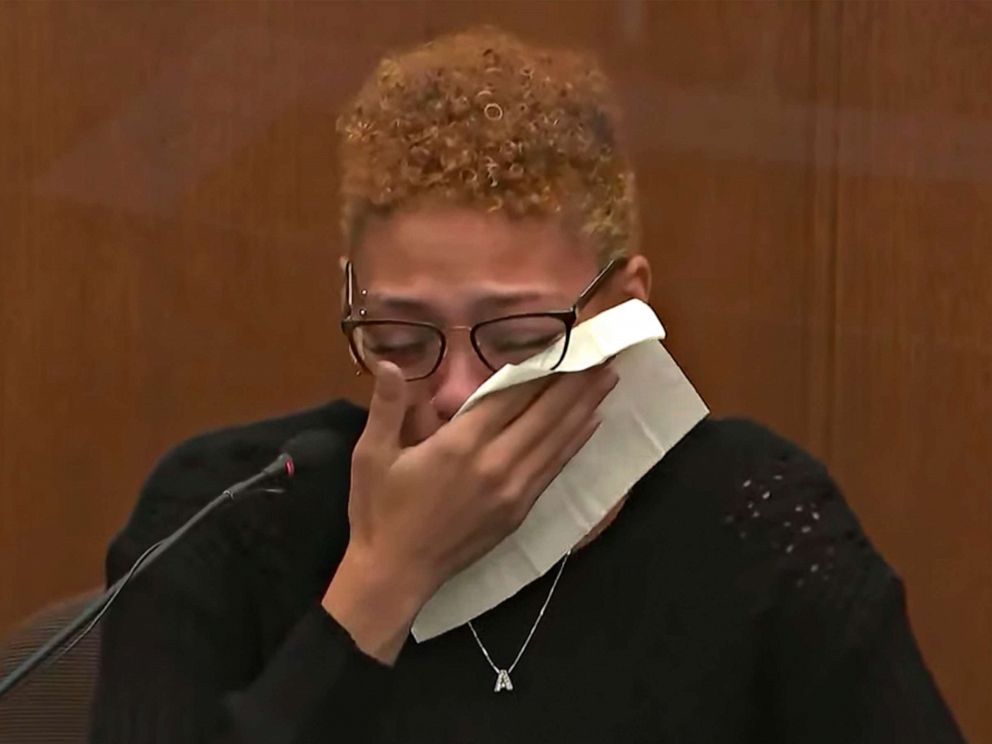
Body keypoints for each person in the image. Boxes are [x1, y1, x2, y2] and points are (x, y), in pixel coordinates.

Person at [90, 27, 964, 744]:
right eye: (402, 338)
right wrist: (383, 582)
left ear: (623, 309)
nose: (458, 389)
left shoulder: (757, 521)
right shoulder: (228, 514)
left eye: (517, 340)